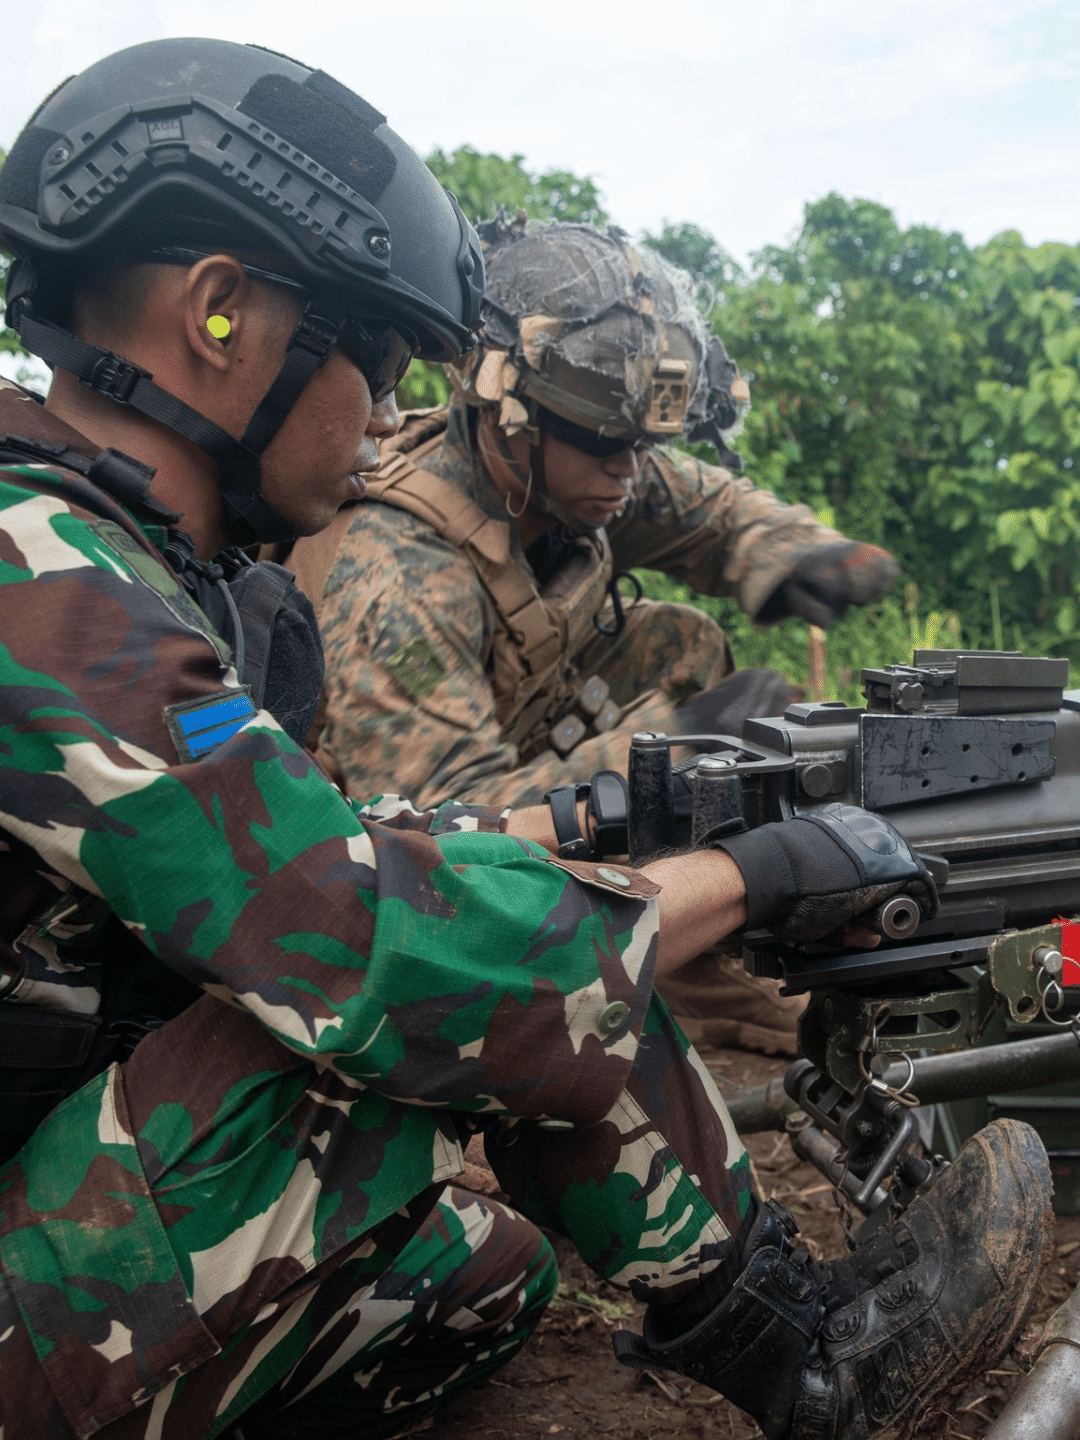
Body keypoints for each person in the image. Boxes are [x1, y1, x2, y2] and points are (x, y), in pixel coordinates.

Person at [0, 38, 1050, 1440]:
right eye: (372, 358)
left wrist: (615, 830)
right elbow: (361, 937)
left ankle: (782, 1333)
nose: (386, 417)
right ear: (219, 314)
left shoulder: (135, 562)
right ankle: (813, 1368)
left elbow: (338, 847)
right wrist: (752, 876)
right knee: (465, 995)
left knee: (477, 1281)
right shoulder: (40, 576)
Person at [290, 215, 900, 1055]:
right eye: (607, 443)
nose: (628, 468)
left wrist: (795, 552)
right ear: (511, 418)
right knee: (684, 727)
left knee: (674, 642)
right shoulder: (400, 567)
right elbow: (446, 828)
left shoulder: (579, 468)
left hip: (504, 727)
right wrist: (685, 750)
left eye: (641, 446)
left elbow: (710, 507)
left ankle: (686, 954)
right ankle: (612, 951)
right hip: (383, 838)